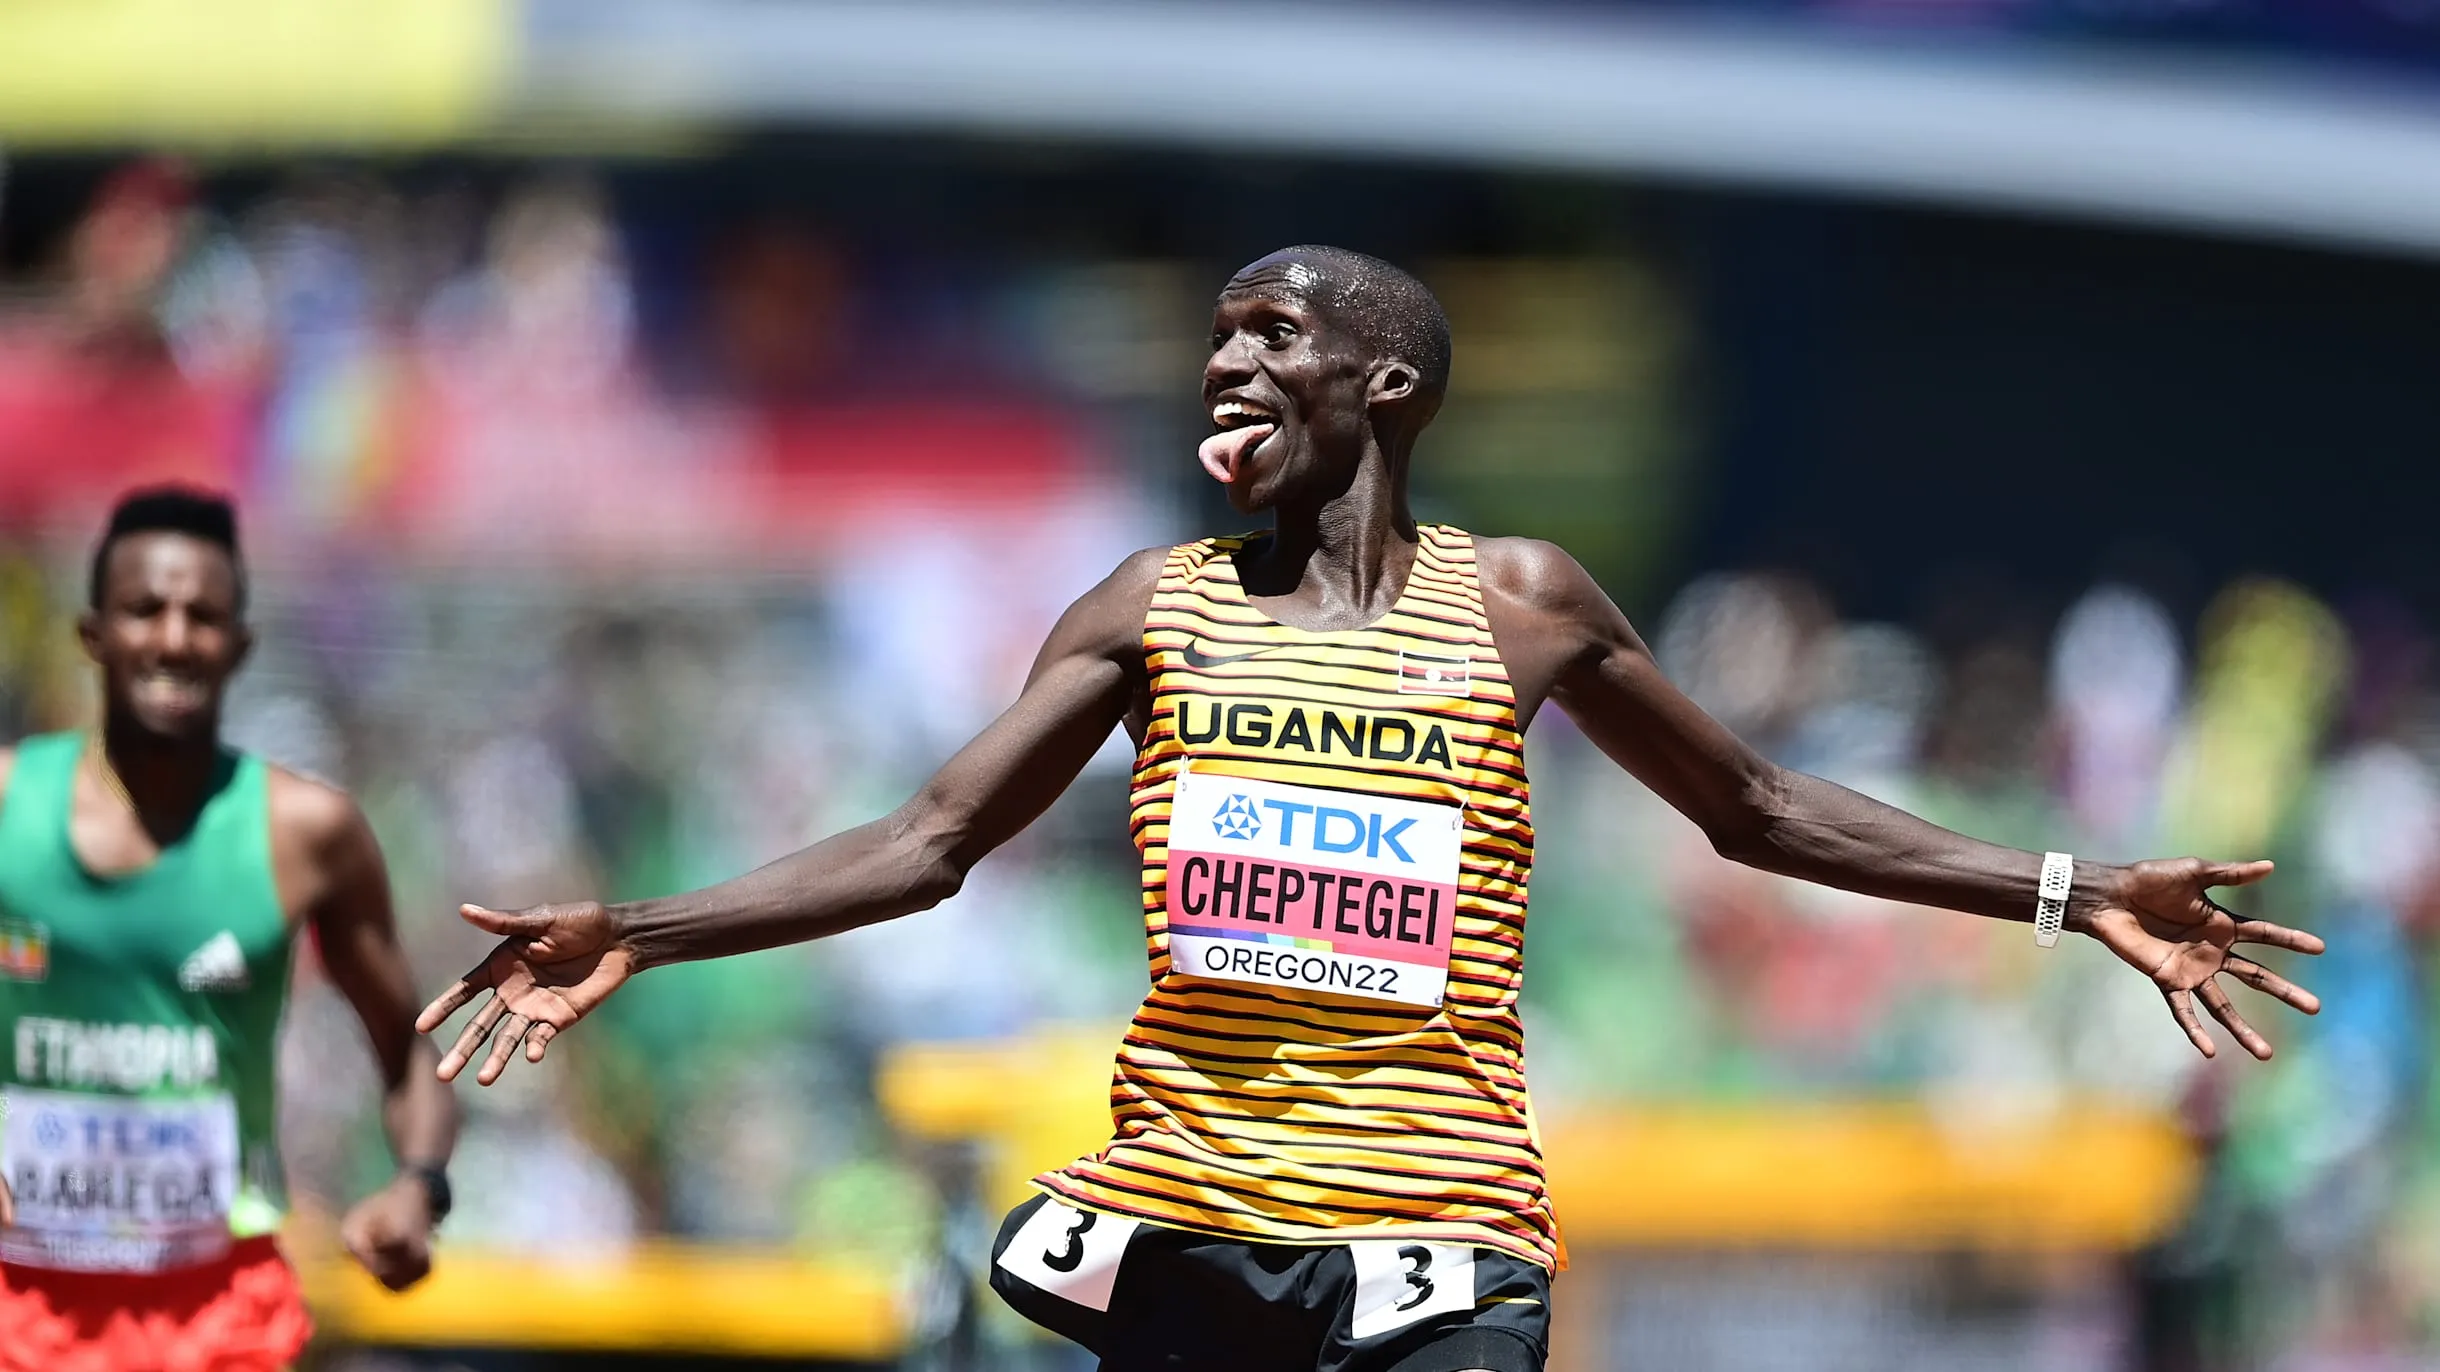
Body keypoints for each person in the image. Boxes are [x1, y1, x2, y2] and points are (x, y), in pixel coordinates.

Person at [418, 246, 2323, 1372]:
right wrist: (639, 932)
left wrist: (2077, 890)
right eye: (1219, 335)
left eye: (1274, 333)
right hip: (1187, 1229)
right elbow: (928, 842)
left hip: (1440, 1240)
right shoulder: (1148, 608)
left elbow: (1756, 808)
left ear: (1385, 380)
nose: (1228, 359)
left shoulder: (1520, 606)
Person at [0, 488, 460, 1371]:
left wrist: (418, 1188)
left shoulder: (306, 833)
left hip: (221, 1323)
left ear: (240, 646)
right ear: (93, 634)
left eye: (202, 616)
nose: (173, 638)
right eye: (145, 610)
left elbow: (411, 1055)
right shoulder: (9, 806)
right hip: (17, 1313)